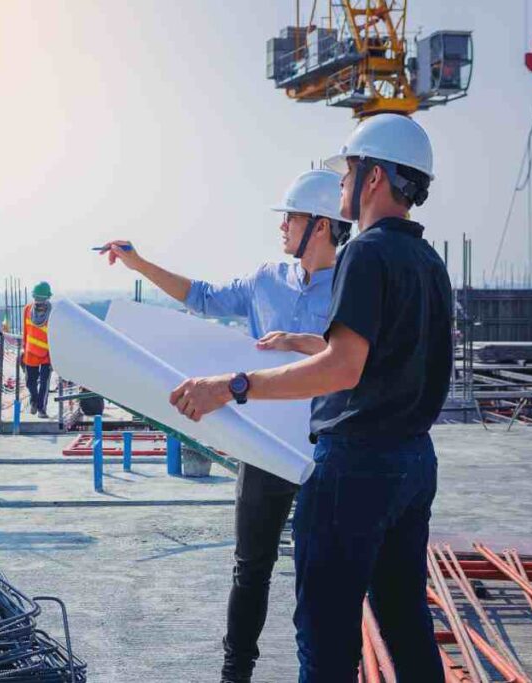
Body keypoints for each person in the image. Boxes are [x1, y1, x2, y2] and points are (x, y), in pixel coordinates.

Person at [169, 114, 449, 682]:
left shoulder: (365, 254)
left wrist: (234, 385)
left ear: (374, 178)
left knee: (325, 642)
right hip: (414, 463)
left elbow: (344, 369)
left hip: (356, 469)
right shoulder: (429, 263)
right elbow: (387, 356)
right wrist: (310, 341)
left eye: (348, 170)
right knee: (406, 628)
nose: (343, 184)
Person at [100, 169, 351, 682]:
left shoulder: (355, 284)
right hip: (267, 444)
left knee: (324, 573)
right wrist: (138, 261)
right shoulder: (266, 281)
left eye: (292, 218)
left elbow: (364, 361)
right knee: (251, 567)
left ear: (321, 225)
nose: (282, 227)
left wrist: (305, 344)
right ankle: (235, 673)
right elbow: (203, 296)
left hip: (331, 446)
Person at [21, 282, 54, 418]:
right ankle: (34, 400)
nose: (38, 302)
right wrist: (24, 348)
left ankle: (41, 408)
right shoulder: (28, 309)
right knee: (30, 381)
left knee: (45, 383)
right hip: (31, 351)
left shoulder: (53, 312)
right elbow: (25, 330)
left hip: (47, 353)